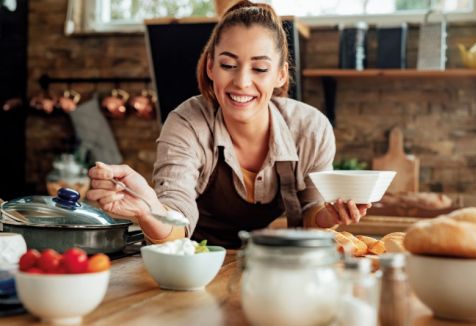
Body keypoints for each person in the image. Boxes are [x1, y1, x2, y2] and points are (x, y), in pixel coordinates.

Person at [87, 0, 371, 248]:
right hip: (196, 264)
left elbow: (312, 214)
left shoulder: (310, 129)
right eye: (227, 65)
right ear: (210, 66)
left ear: (281, 75)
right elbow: (175, 220)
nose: (242, 82)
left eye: (260, 68)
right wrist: (148, 210)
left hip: (273, 262)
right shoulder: (186, 123)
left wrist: (329, 216)